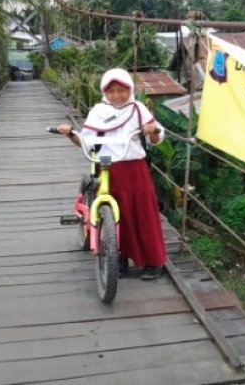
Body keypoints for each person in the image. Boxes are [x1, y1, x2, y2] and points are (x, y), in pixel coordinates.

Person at [56, 68, 166, 280]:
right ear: (104, 92)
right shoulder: (98, 111)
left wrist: (153, 129)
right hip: (107, 168)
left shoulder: (138, 108)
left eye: (122, 90)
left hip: (134, 169)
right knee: (115, 216)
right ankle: (119, 260)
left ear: (130, 90)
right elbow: (85, 141)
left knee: (143, 215)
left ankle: (154, 262)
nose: (117, 96)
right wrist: (70, 133)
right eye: (111, 91)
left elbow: (155, 138)